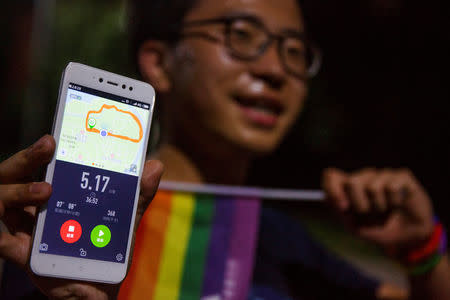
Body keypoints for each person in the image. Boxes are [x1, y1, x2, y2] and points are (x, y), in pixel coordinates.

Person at [0, 0, 448, 299]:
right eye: (240, 33)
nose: (275, 68)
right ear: (160, 62)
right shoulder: (43, 217)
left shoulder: (282, 239)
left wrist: (422, 249)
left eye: (294, 50)